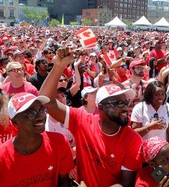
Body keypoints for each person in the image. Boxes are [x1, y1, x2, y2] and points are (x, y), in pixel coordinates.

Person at [39, 47, 143, 187]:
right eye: (116, 103)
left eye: (124, 102)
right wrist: (58, 67)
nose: (124, 106)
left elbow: (126, 184)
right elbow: (46, 101)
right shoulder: (82, 120)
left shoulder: (133, 139)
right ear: (100, 108)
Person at [0, 92, 75, 186]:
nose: (40, 116)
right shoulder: (2, 158)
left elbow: (64, 183)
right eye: (30, 114)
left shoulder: (59, 143)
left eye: (41, 110)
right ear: (15, 122)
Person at [131, 80, 169, 147]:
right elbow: (134, 133)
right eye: (156, 95)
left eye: (162, 94)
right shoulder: (140, 108)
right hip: (144, 150)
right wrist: (149, 127)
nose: (160, 97)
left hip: (162, 151)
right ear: (150, 95)